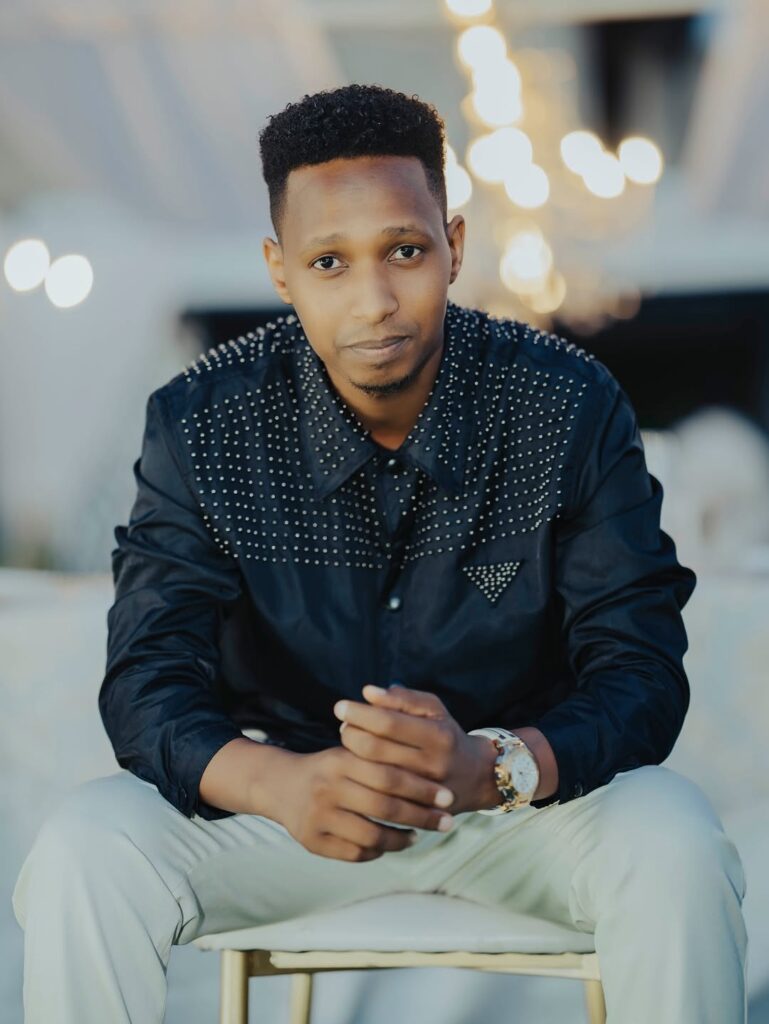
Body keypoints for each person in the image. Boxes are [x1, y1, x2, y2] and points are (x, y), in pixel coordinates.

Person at [12, 83, 748, 1024]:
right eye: (329, 261)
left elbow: (638, 667)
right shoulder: (204, 424)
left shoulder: (565, 404)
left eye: (404, 250)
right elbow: (147, 678)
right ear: (280, 271)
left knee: (673, 839)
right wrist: (279, 784)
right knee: (86, 847)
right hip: (286, 815)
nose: (374, 300)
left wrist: (492, 767)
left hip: (516, 808)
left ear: (454, 246)